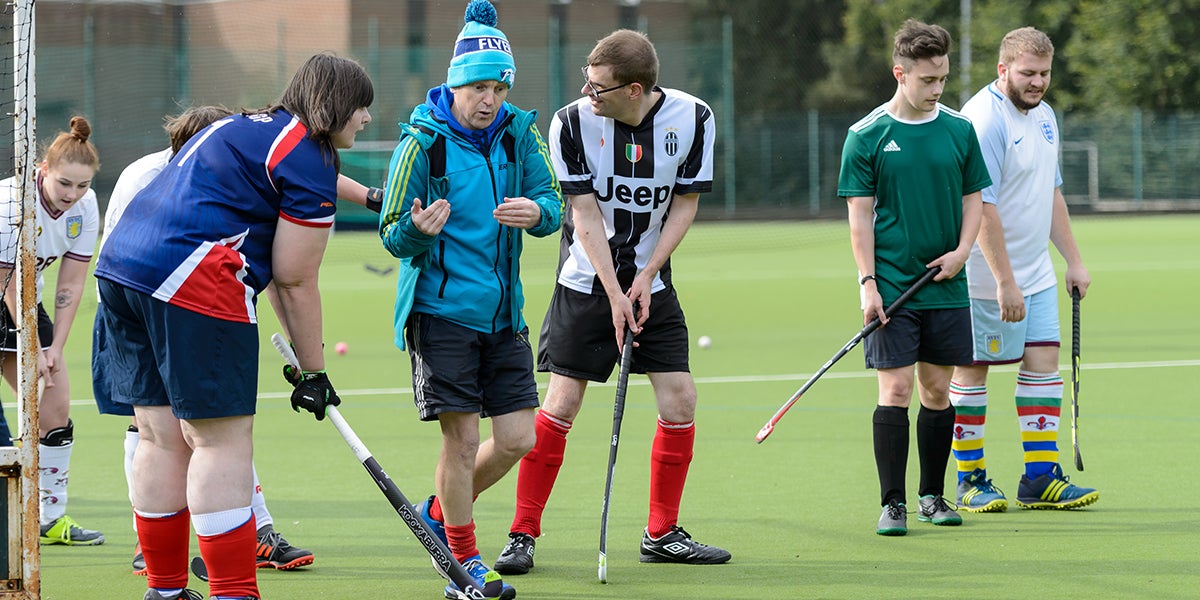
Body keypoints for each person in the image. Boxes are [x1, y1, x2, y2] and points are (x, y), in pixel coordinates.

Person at [92, 52, 372, 600]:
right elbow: (294, 279)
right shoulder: (310, 155)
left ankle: (165, 592)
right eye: (361, 106)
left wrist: (309, 365)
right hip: (191, 280)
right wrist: (314, 372)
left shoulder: (238, 125)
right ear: (336, 103)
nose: (365, 118)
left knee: (159, 437)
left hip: (121, 269)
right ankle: (234, 592)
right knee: (219, 443)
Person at [493, 28, 730, 576]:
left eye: (598, 86)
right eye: (587, 80)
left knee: (680, 400)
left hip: (652, 285)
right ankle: (522, 533)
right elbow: (583, 212)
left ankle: (661, 533)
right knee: (561, 404)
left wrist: (646, 276)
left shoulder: (694, 118)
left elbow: (685, 204)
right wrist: (614, 292)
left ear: (634, 90)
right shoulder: (570, 122)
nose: (587, 92)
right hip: (585, 281)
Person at [378, 1, 561, 598]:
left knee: (518, 439)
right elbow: (390, 232)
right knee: (459, 443)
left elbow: (552, 200)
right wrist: (416, 231)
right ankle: (462, 563)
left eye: (499, 88)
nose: (490, 100)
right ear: (455, 84)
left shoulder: (520, 133)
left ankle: (439, 513)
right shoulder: (422, 144)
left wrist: (538, 213)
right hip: (441, 316)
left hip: (504, 316)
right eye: (479, 87)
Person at [97, 105, 316, 576]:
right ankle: (178, 555)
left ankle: (179, 570)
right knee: (196, 434)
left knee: (193, 433)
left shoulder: (226, 175)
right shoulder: (152, 177)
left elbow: (277, 276)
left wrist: (303, 350)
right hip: (155, 300)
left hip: (137, 290)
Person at [837, 19, 990, 536]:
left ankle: (932, 495)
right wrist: (868, 283)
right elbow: (859, 217)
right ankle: (893, 503)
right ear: (899, 73)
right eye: (928, 80)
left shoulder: (959, 130)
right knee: (897, 388)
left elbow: (974, 199)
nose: (938, 88)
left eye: (943, 77)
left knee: (937, 390)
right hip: (892, 288)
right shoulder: (866, 135)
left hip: (947, 285)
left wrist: (962, 252)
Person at [950, 27, 1099, 512]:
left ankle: (1039, 478)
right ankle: (970, 480)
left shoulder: (1045, 116)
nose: (1037, 82)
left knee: (1043, 366)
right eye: (1027, 73)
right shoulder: (984, 119)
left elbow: (1050, 193)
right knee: (973, 372)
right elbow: (982, 206)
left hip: (1036, 274)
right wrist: (1004, 281)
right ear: (1003, 69)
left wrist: (1073, 260)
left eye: (1044, 73)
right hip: (984, 277)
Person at [0, 116, 105, 546]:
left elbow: (71, 283)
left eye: (82, 185)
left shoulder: (85, 206)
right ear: (44, 169)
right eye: (64, 183)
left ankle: (50, 517)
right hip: (7, 291)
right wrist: (31, 345)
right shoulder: (11, 201)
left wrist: (55, 347)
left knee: (55, 408)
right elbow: (7, 282)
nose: (72, 194)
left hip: (28, 298)